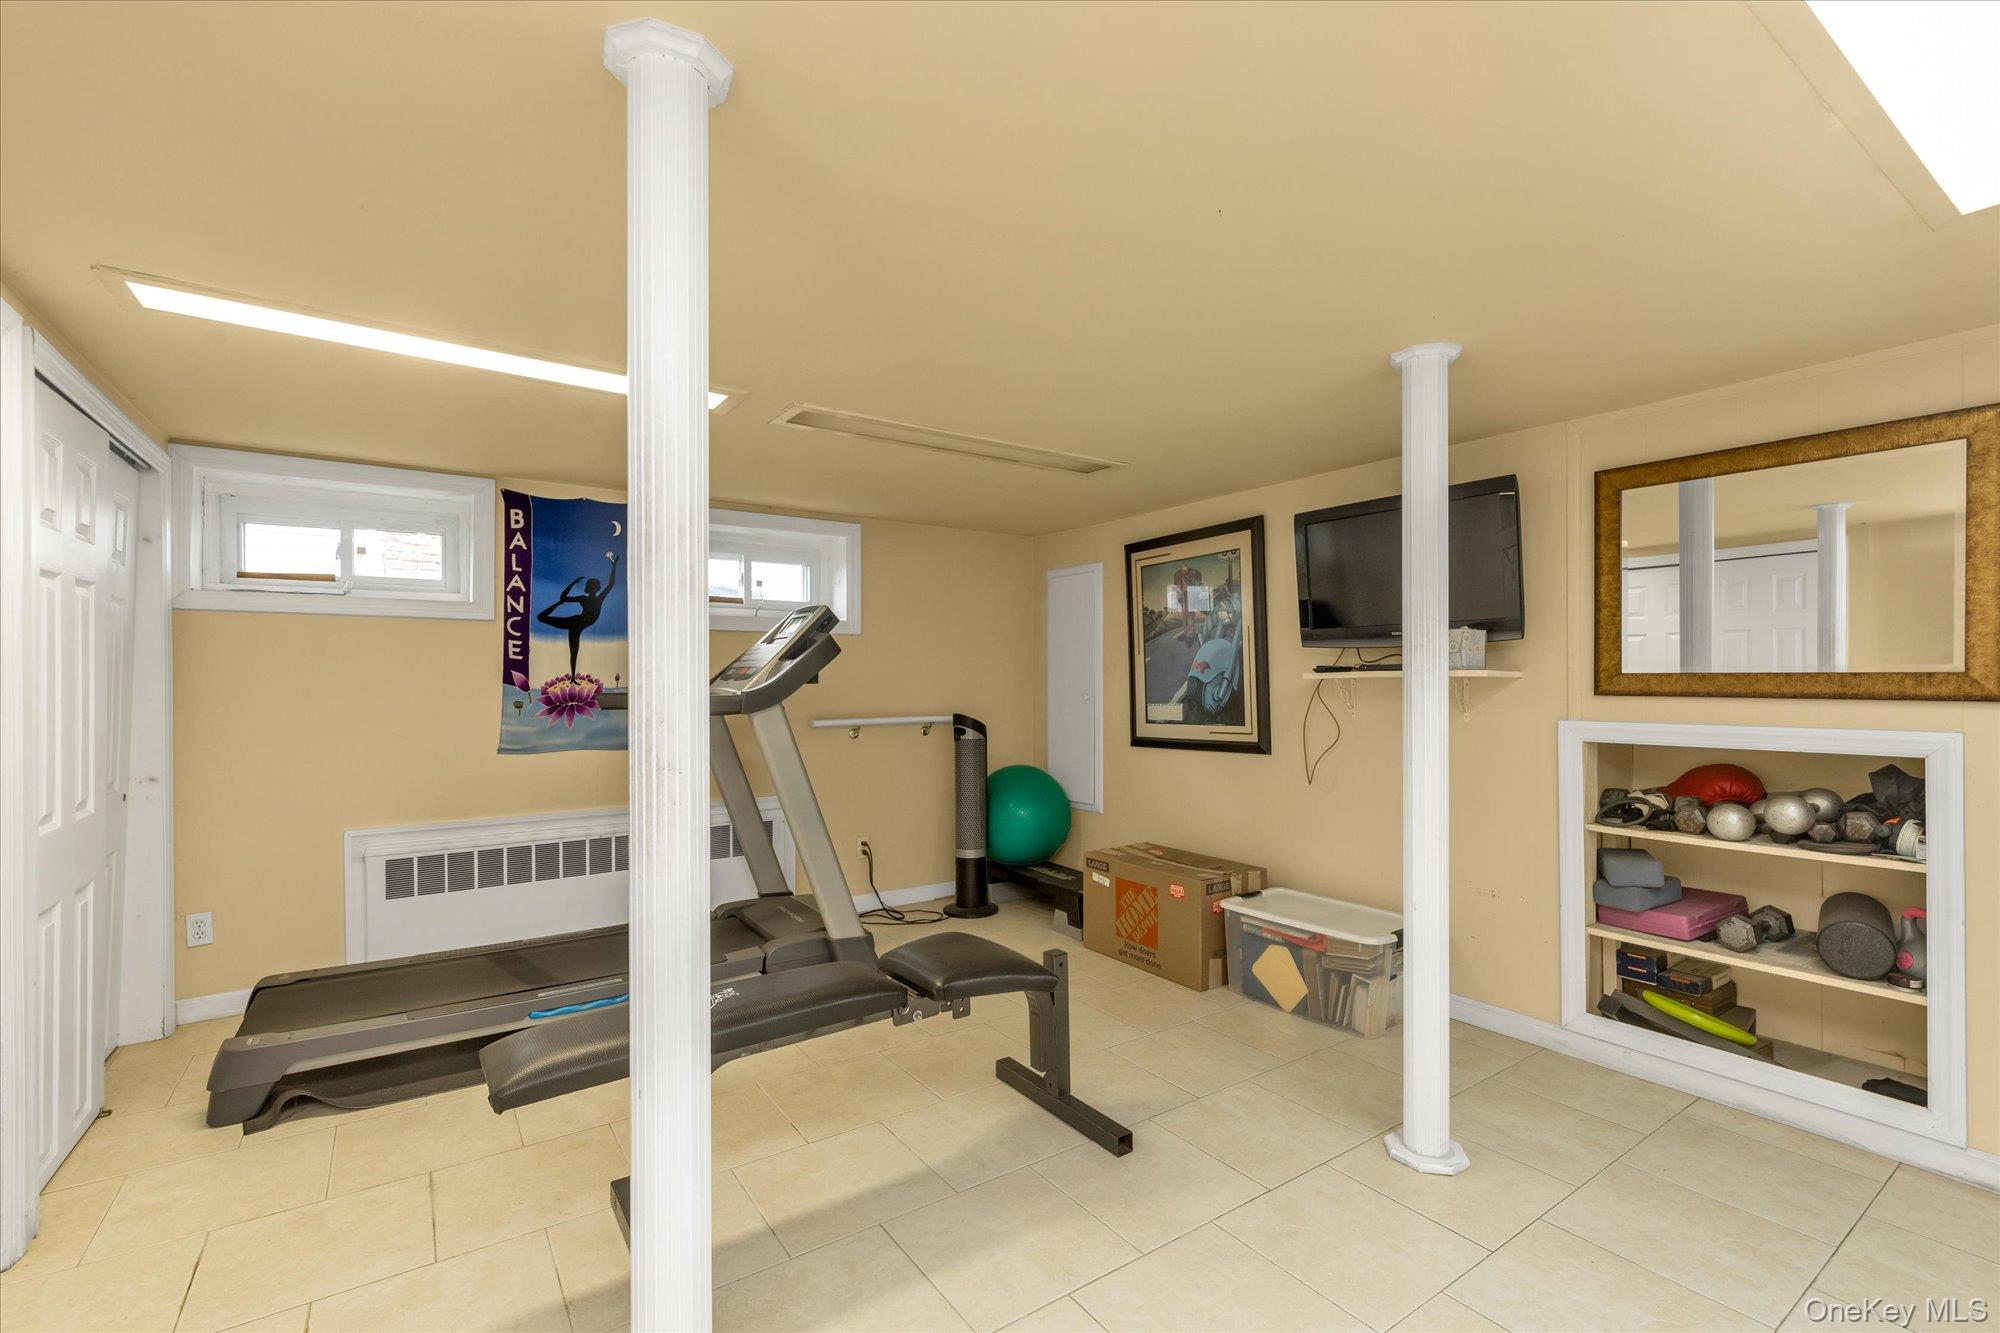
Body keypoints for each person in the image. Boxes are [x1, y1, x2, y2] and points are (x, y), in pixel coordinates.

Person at [536, 553, 619, 679]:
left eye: (597, 586)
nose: (597, 587)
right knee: (541, 618)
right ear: (593, 588)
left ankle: (573, 678)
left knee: (574, 652)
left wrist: (614, 566)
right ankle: (573, 678)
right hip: (575, 623)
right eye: (595, 585)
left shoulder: (599, 599)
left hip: (577, 625)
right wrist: (572, 584)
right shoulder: (583, 599)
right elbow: (563, 598)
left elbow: (611, 584)